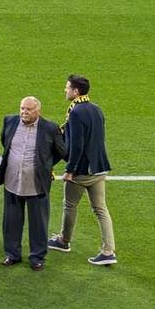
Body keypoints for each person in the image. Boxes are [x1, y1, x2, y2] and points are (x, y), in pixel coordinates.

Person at [52, 74, 116, 266]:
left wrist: (70, 170)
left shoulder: (77, 112)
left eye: (67, 87)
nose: (65, 90)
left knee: (70, 205)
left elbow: (77, 145)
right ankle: (108, 250)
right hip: (99, 168)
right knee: (101, 209)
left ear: (76, 91)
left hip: (82, 171)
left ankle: (64, 241)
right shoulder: (97, 109)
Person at [0, 96, 64, 269]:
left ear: (38, 111)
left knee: (38, 223)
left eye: (28, 109)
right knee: (11, 221)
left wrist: (46, 165)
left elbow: (61, 151)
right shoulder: (10, 121)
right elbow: (5, 141)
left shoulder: (50, 128)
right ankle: (12, 254)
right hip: (12, 180)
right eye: (22, 108)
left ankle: (37, 257)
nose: (24, 112)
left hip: (36, 184)